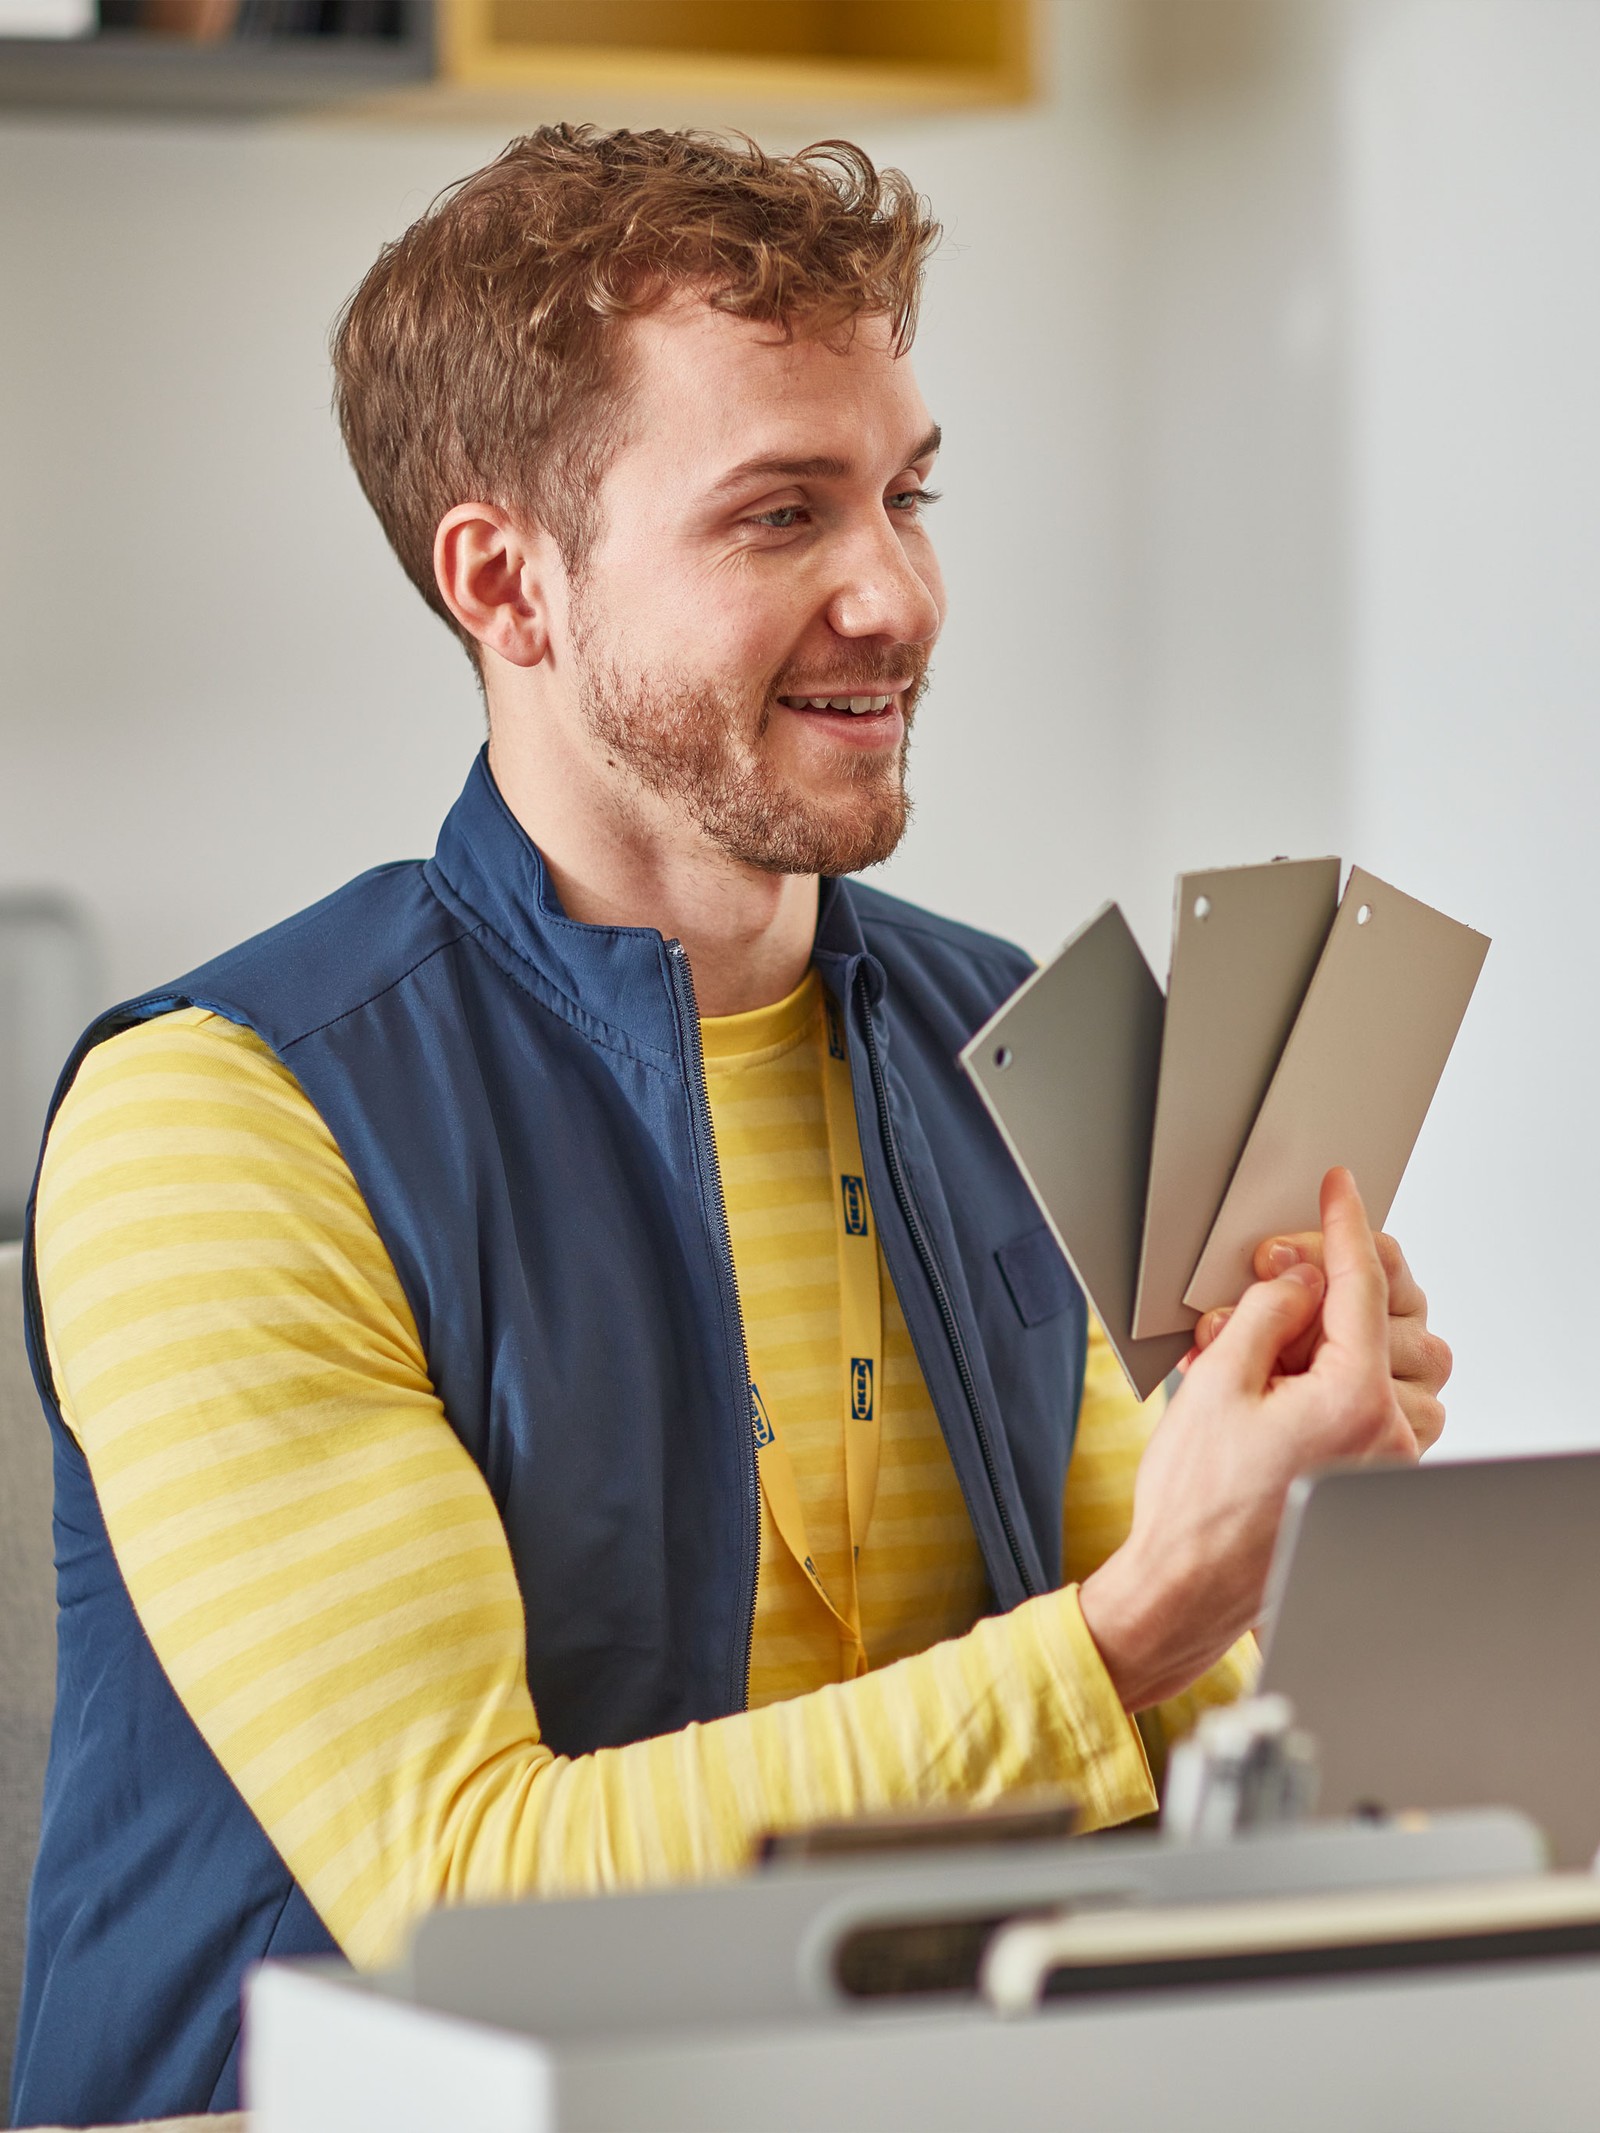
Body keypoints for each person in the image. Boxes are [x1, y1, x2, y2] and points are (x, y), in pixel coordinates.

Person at [11, 126, 1448, 2127]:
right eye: (781, 514)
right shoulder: (219, 1119)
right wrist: (1140, 1615)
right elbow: (459, 1898)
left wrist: (1306, 1519)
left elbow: (1200, 1776)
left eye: (903, 493)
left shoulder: (1018, 1032)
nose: (897, 592)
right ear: (503, 578)